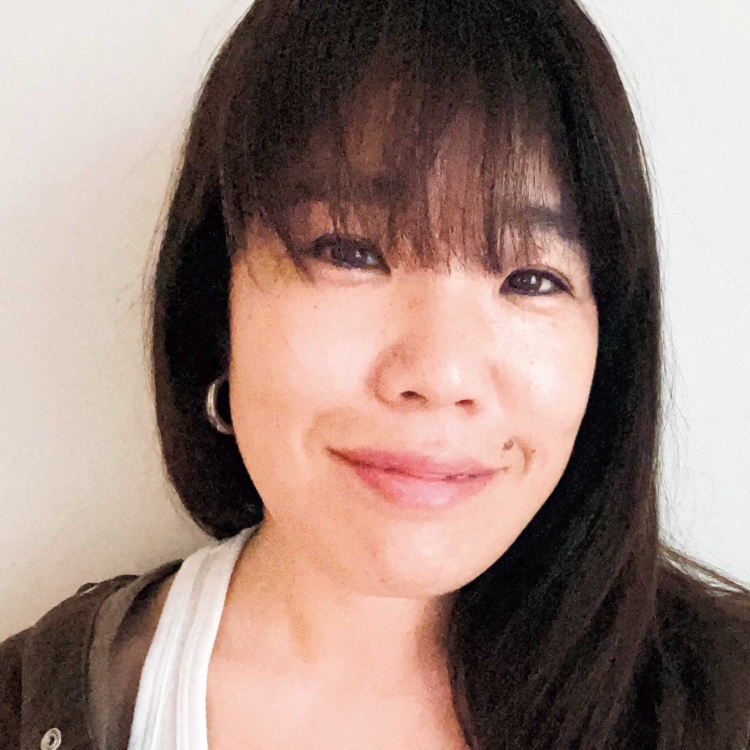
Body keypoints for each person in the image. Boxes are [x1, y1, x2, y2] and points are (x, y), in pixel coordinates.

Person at [2, 0, 749, 748]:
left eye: (531, 278)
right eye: (350, 252)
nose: (440, 372)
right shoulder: (38, 709)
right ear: (215, 303)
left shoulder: (729, 698)